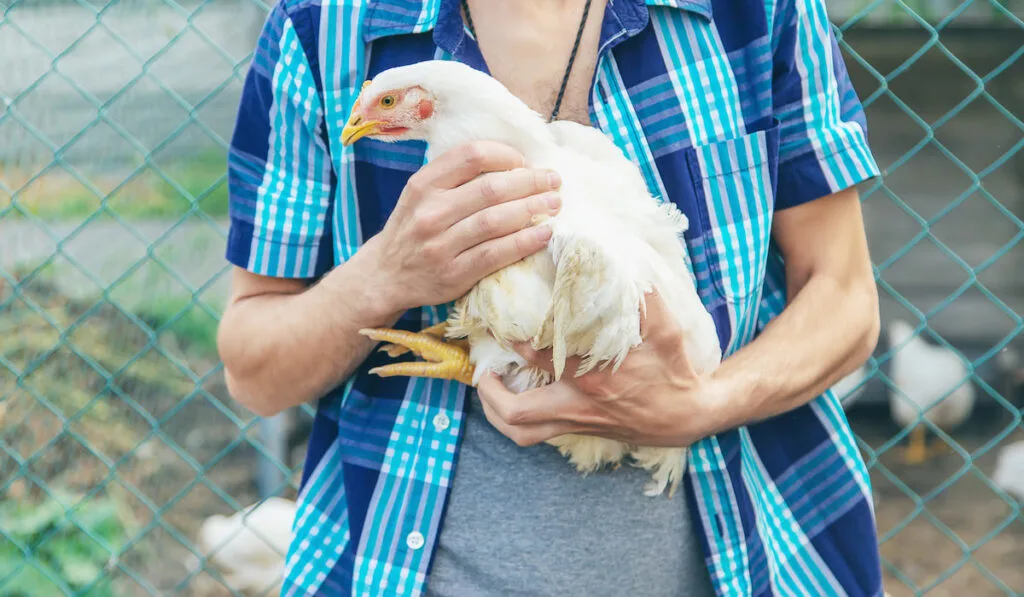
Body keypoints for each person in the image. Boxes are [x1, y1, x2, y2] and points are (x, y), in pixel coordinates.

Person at [216, 0, 884, 595]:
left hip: (743, 556)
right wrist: (385, 277)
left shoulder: (756, 14)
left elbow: (846, 298)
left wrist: (699, 404)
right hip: (400, 563)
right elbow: (253, 370)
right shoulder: (321, 30)